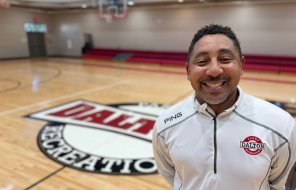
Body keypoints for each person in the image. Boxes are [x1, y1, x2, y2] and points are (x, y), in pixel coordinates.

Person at [152, 24, 296, 190]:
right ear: (188, 70)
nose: (214, 70)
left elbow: (281, 184)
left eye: (225, 59)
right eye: (202, 61)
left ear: (241, 65)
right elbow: (172, 175)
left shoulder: (282, 126)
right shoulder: (165, 125)